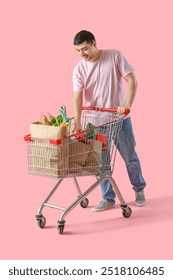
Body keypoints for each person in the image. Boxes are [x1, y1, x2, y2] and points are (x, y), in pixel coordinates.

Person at [72, 30, 146, 211]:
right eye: (78, 50)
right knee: (101, 163)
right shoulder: (79, 69)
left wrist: (127, 104)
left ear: (94, 43)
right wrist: (79, 123)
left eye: (85, 49)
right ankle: (108, 197)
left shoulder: (114, 56)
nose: (82, 54)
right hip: (95, 123)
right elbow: (77, 97)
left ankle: (139, 189)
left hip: (119, 119)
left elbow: (132, 80)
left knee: (130, 157)